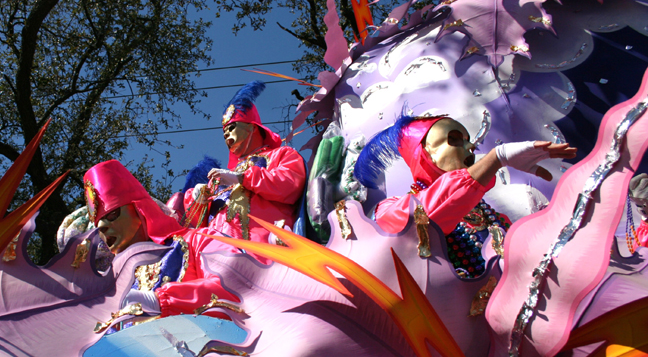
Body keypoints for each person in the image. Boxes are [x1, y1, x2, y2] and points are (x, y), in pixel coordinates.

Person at [355, 113, 577, 277]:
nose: (471, 146)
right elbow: (427, 213)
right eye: (454, 140)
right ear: (424, 153)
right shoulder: (390, 211)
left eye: (467, 139)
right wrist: (496, 159)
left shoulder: (487, 213)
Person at [81, 160, 237, 323]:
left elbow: (237, 286)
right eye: (98, 225)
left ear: (138, 209)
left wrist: (161, 302)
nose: (102, 227)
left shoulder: (196, 241)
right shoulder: (119, 285)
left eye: (112, 215)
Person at [184, 81, 306, 251]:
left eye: (232, 128)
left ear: (252, 128)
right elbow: (197, 222)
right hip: (217, 249)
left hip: (263, 248)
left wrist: (243, 178)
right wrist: (197, 199)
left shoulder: (281, 154)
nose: (226, 134)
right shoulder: (221, 177)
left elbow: (289, 185)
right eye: (224, 132)